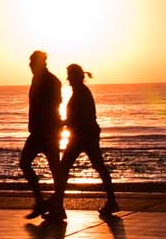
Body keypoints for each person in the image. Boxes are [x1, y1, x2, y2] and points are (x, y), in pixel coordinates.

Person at [49, 63, 118, 219]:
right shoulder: (81, 92)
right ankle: (112, 201)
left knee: (64, 168)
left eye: (70, 76)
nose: (68, 80)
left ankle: (58, 207)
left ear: (75, 76)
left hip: (81, 137)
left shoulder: (81, 93)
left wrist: (59, 124)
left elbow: (75, 117)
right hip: (86, 136)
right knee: (98, 166)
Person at [19, 49, 63, 218]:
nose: (29, 65)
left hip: (46, 132)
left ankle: (50, 204)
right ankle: (44, 202)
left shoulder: (50, 81)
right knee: (49, 167)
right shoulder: (38, 79)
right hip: (40, 131)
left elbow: (53, 105)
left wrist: (46, 128)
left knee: (53, 168)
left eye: (31, 62)